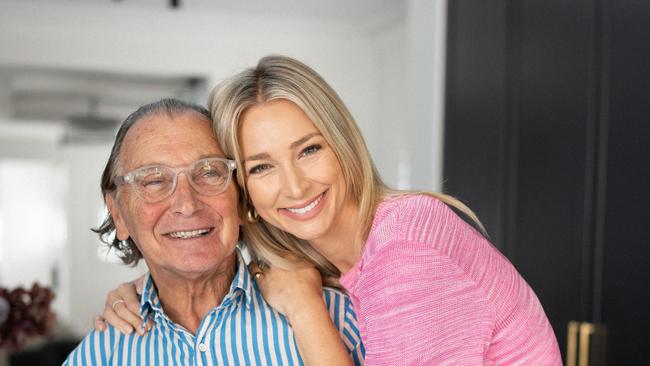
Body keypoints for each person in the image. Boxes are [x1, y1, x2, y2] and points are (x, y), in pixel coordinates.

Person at [100, 57, 563, 365]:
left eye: (309, 149)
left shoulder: (408, 251)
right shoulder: (327, 260)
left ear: (343, 145)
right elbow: (199, 234)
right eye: (262, 166)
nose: (295, 185)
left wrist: (305, 310)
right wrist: (152, 289)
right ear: (247, 196)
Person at [65, 98, 364, 365]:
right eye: (154, 180)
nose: (187, 204)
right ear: (117, 213)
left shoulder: (339, 318)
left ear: (241, 195)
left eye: (210, 173)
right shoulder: (98, 356)